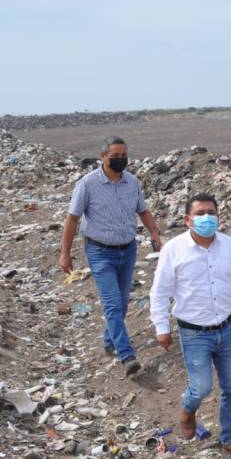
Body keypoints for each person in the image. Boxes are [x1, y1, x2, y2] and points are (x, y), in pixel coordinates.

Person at [149, 192, 231, 459]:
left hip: (227, 329)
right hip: (193, 332)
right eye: (200, 213)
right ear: (187, 219)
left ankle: (230, 438)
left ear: (218, 216)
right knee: (201, 387)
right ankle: (188, 410)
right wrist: (162, 327)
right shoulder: (174, 250)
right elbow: (160, 291)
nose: (207, 218)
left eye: (211, 213)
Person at [59, 136, 163, 375]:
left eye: (123, 155)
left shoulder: (132, 182)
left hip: (128, 249)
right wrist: (65, 253)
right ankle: (127, 356)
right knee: (112, 303)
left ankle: (109, 340)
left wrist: (155, 233)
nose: (120, 160)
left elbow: (143, 210)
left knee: (122, 302)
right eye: (115, 156)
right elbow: (72, 219)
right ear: (103, 156)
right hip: (100, 252)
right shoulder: (88, 184)